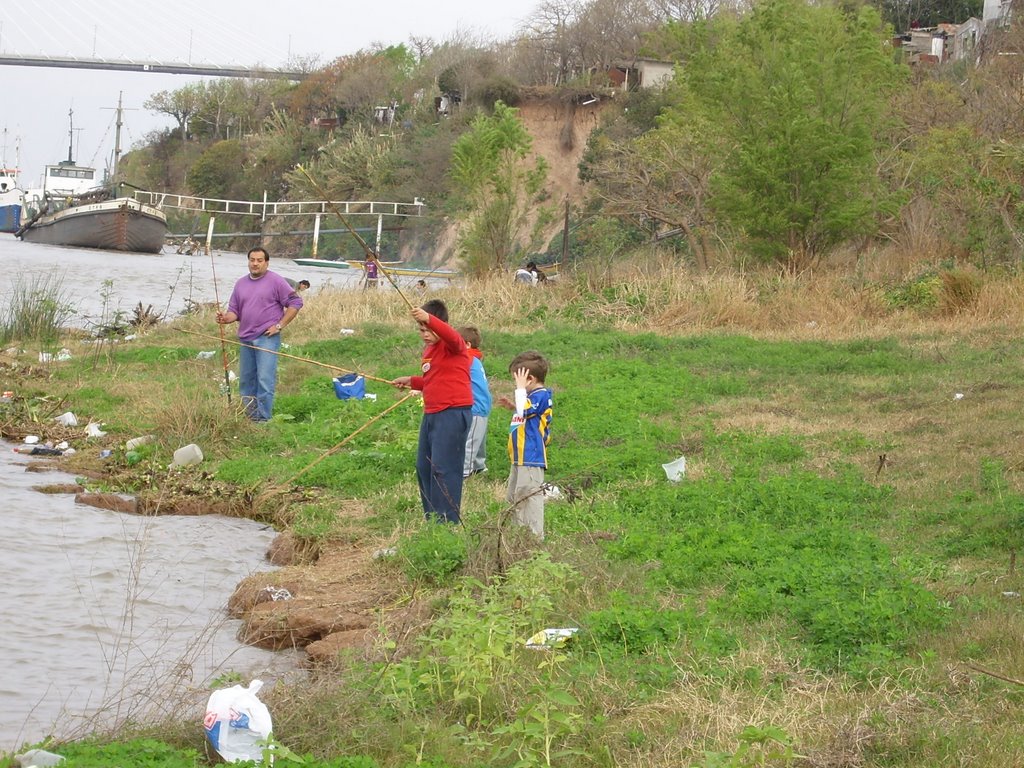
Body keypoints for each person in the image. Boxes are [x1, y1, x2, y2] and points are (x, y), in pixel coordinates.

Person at [391, 299, 473, 524]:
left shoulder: (453, 344)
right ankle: (433, 517)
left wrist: (428, 319)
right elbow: (433, 379)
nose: (425, 334)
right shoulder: (429, 351)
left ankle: (446, 521)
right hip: (432, 413)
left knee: (444, 469)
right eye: (421, 330)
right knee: (424, 465)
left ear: (440, 325)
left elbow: (452, 336)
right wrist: (411, 381)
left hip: (452, 413)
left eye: (428, 329)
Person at [216, 247, 303, 422]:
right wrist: (225, 318)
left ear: (266, 263)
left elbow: (296, 302)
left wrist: (279, 325)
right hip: (245, 338)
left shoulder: (276, 281)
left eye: (259, 260)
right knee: (246, 382)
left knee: (264, 380)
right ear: (248, 261)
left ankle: (263, 420)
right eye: (252, 260)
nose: (255, 264)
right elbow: (234, 311)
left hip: (267, 338)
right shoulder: (240, 284)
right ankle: (249, 418)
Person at [498, 351, 553, 539]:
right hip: (519, 456)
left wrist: (520, 391)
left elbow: (528, 409)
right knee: (515, 496)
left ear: (529, 379)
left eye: (518, 380)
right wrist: (514, 406)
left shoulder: (542, 395)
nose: (516, 385)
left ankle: (535, 537)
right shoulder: (531, 398)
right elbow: (525, 411)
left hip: (531, 457)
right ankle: (517, 536)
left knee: (529, 496)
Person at [458, 325, 492, 478]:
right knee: (479, 438)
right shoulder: (476, 359)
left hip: (475, 406)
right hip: (483, 406)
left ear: (467, 344)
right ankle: (479, 466)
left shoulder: (466, 358)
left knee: (471, 442)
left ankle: (464, 472)